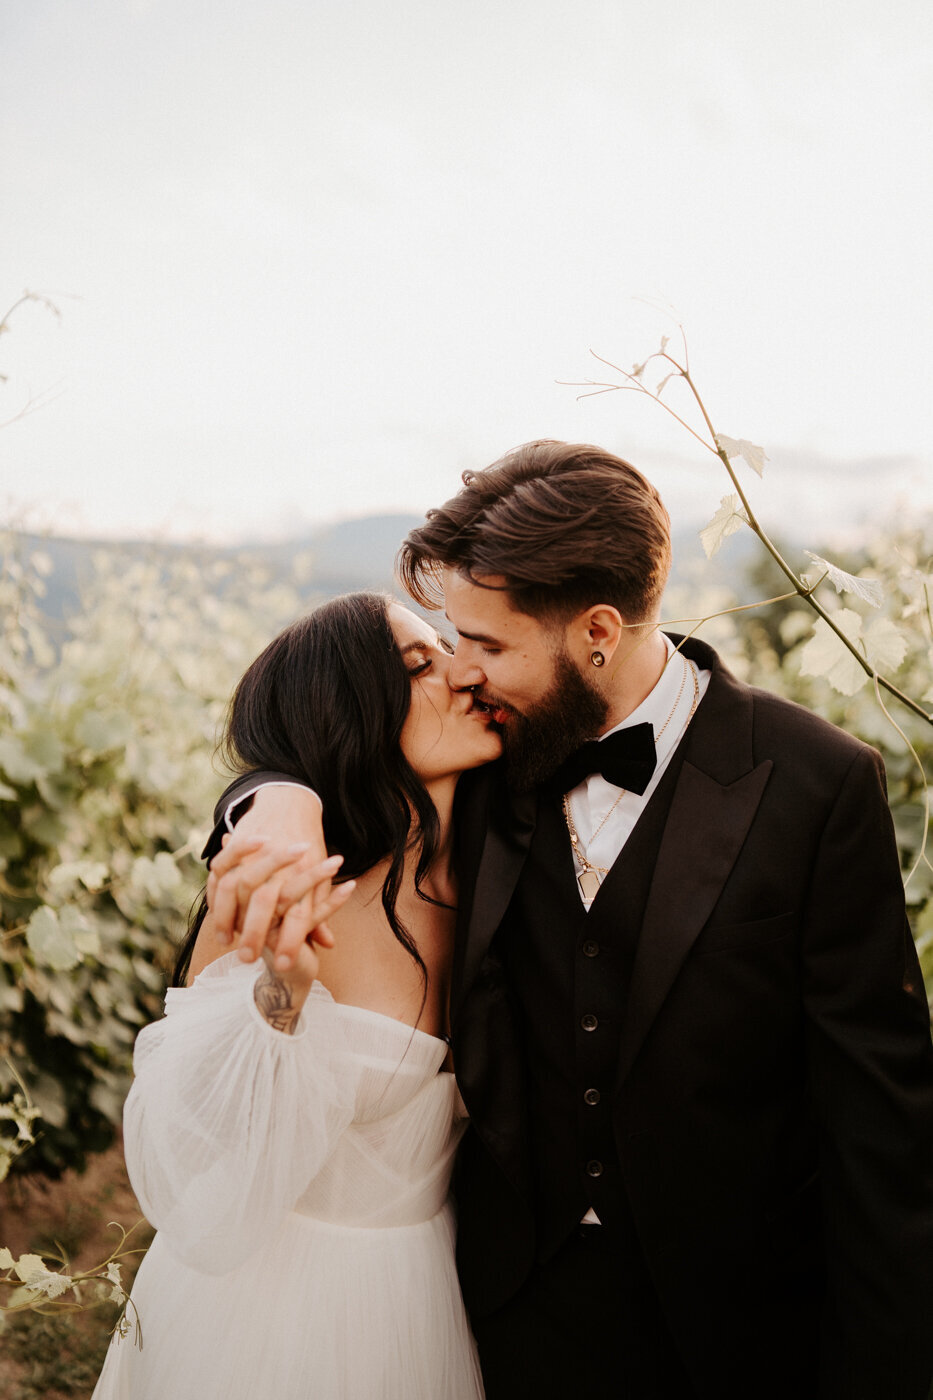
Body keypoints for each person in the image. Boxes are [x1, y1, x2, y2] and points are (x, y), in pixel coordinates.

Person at [210, 441, 933, 1400]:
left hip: (739, 1331)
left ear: (597, 631)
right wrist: (272, 799)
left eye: (489, 643)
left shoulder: (817, 781)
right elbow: (324, 748)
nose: (463, 672)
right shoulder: (481, 756)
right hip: (503, 1318)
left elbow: (879, 1120)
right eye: (451, 635)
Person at [91, 592, 501, 1400]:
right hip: (269, 1312)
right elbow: (196, 1153)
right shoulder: (286, 896)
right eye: (420, 664)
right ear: (350, 716)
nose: (461, 673)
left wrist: (275, 791)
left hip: (426, 1290)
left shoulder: (509, 871)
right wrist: (281, 998)